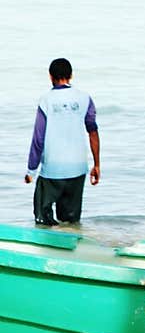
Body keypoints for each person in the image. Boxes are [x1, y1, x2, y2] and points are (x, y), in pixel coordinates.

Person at [24, 58, 100, 226]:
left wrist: (31, 170)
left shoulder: (46, 100)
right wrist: (96, 165)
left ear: (50, 76)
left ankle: (45, 249)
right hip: (78, 169)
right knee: (71, 222)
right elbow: (93, 131)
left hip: (52, 170)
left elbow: (38, 138)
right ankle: (70, 247)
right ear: (71, 75)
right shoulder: (85, 98)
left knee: (42, 220)